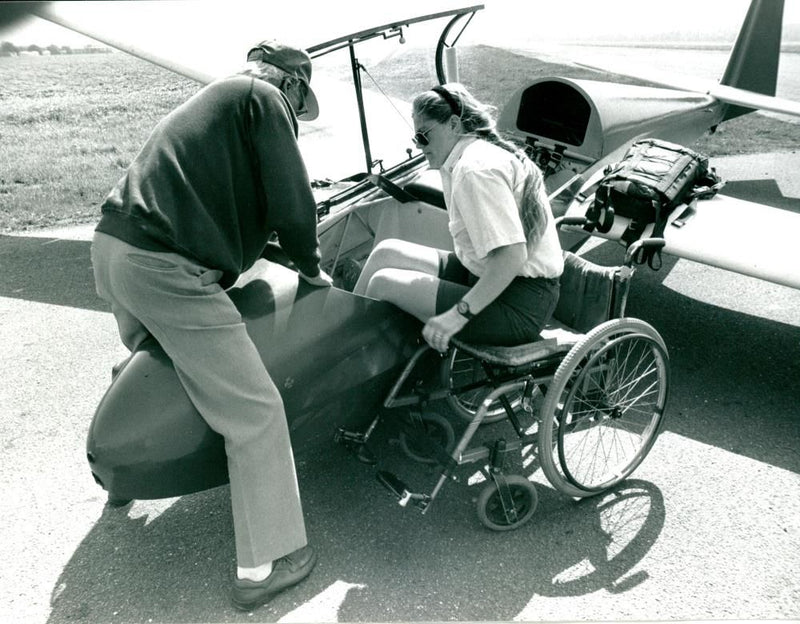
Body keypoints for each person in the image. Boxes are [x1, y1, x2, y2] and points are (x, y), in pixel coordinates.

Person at [90, 40, 331, 611]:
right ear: (293, 84)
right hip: (164, 266)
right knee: (254, 411)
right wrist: (312, 266)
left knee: (160, 365)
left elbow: (221, 201)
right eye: (300, 100)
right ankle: (264, 566)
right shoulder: (265, 96)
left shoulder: (218, 100)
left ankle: (123, 477)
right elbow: (293, 201)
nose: (296, 113)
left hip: (114, 248)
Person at [353, 83, 563, 352]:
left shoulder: (474, 169)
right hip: (488, 277)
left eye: (424, 136)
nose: (419, 146)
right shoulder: (467, 155)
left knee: (383, 283)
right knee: (385, 252)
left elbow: (512, 255)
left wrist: (457, 315)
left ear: (454, 125)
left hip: (518, 304)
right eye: (416, 139)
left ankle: (353, 360)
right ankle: (341, 338)